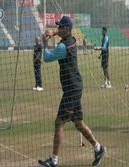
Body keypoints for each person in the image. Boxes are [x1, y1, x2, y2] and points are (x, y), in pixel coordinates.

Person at [38, 16, 106, 167]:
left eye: (61, 27)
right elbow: (62, 32)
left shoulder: (63, 47)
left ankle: (54, 161)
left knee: (59, 122)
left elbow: (47, 57)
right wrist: (54, 33)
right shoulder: (72, 39)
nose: (59, 28)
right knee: (78, 123)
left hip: (71, 90)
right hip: (74, 87)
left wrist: (45, 42)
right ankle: (99, 148)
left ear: (67, 29)